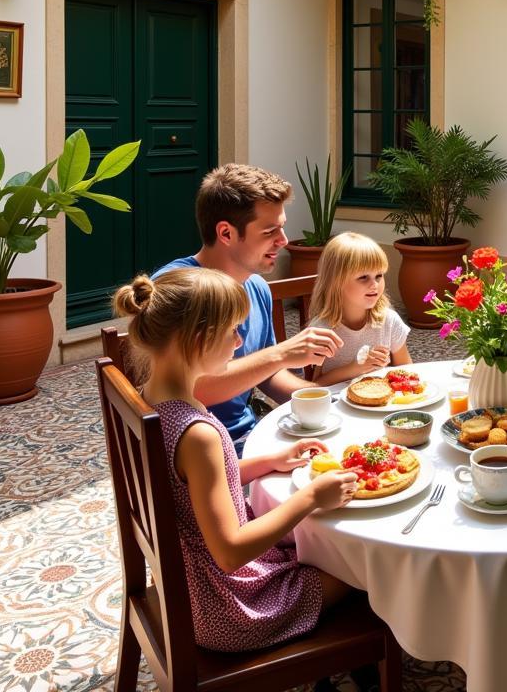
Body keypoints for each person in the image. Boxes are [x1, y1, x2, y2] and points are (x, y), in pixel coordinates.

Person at [113, 268, 358, 653]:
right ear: (198, 339)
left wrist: (270, 461)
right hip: (230, 609)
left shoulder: (150, 398)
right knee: (362, 570)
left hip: (195, 590)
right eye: (232, 332)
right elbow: (230, 552)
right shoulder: (198, 435)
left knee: (322, 545)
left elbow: (189, 486)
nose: (240, 341)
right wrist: (310, 498)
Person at [154, 163, 343, 449]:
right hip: (200, 453)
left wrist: (321, 397)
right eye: (269, 232)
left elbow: (267, 375)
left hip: (250, 437)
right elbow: (189, 390)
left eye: (282, 227)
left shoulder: (257, 288)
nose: (283, 241)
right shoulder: (177, 290)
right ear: (226, 233)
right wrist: (281, 354)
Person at [306, 232, 412, 384]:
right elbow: (316, 386)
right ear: (336, 282)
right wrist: (355, 368)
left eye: (379, 276)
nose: (374, 284)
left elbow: (408, 372)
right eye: (363, 277)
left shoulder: (389, 321)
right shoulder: (322, 330)